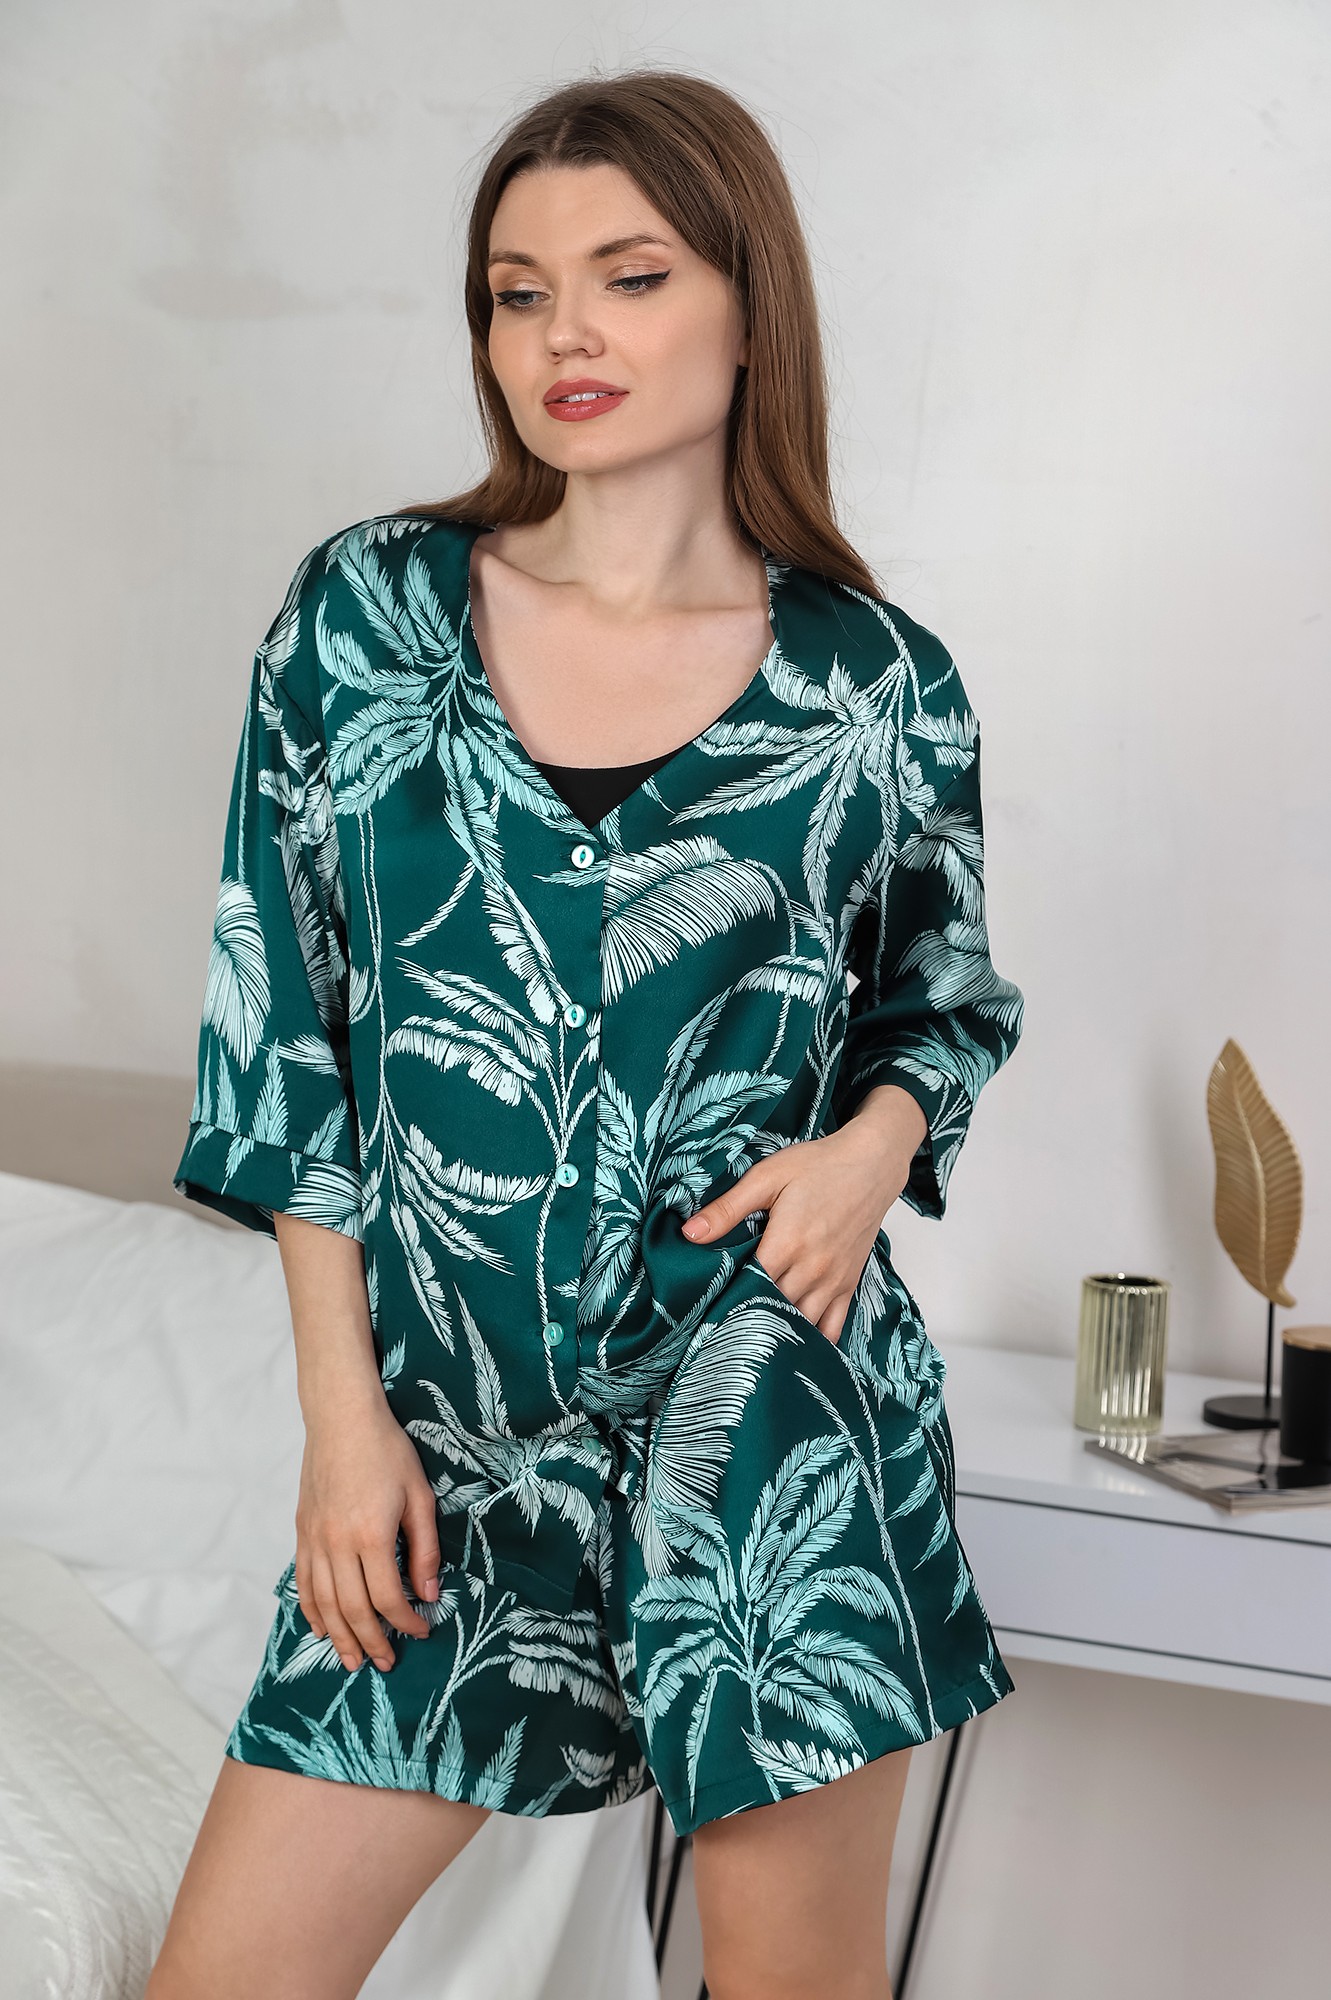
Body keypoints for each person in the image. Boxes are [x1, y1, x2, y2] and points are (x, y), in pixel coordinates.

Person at [149, 65, 1025, 2000]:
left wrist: (875, 1148)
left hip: (769, 1423)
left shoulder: (878, 687)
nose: (566, 336)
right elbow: (282, 1035)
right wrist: (341, 1419)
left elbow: (945, 1001)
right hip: (449, 1445)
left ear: (746, 305)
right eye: (518, 291)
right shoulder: (362, 620)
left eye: (629, 279)